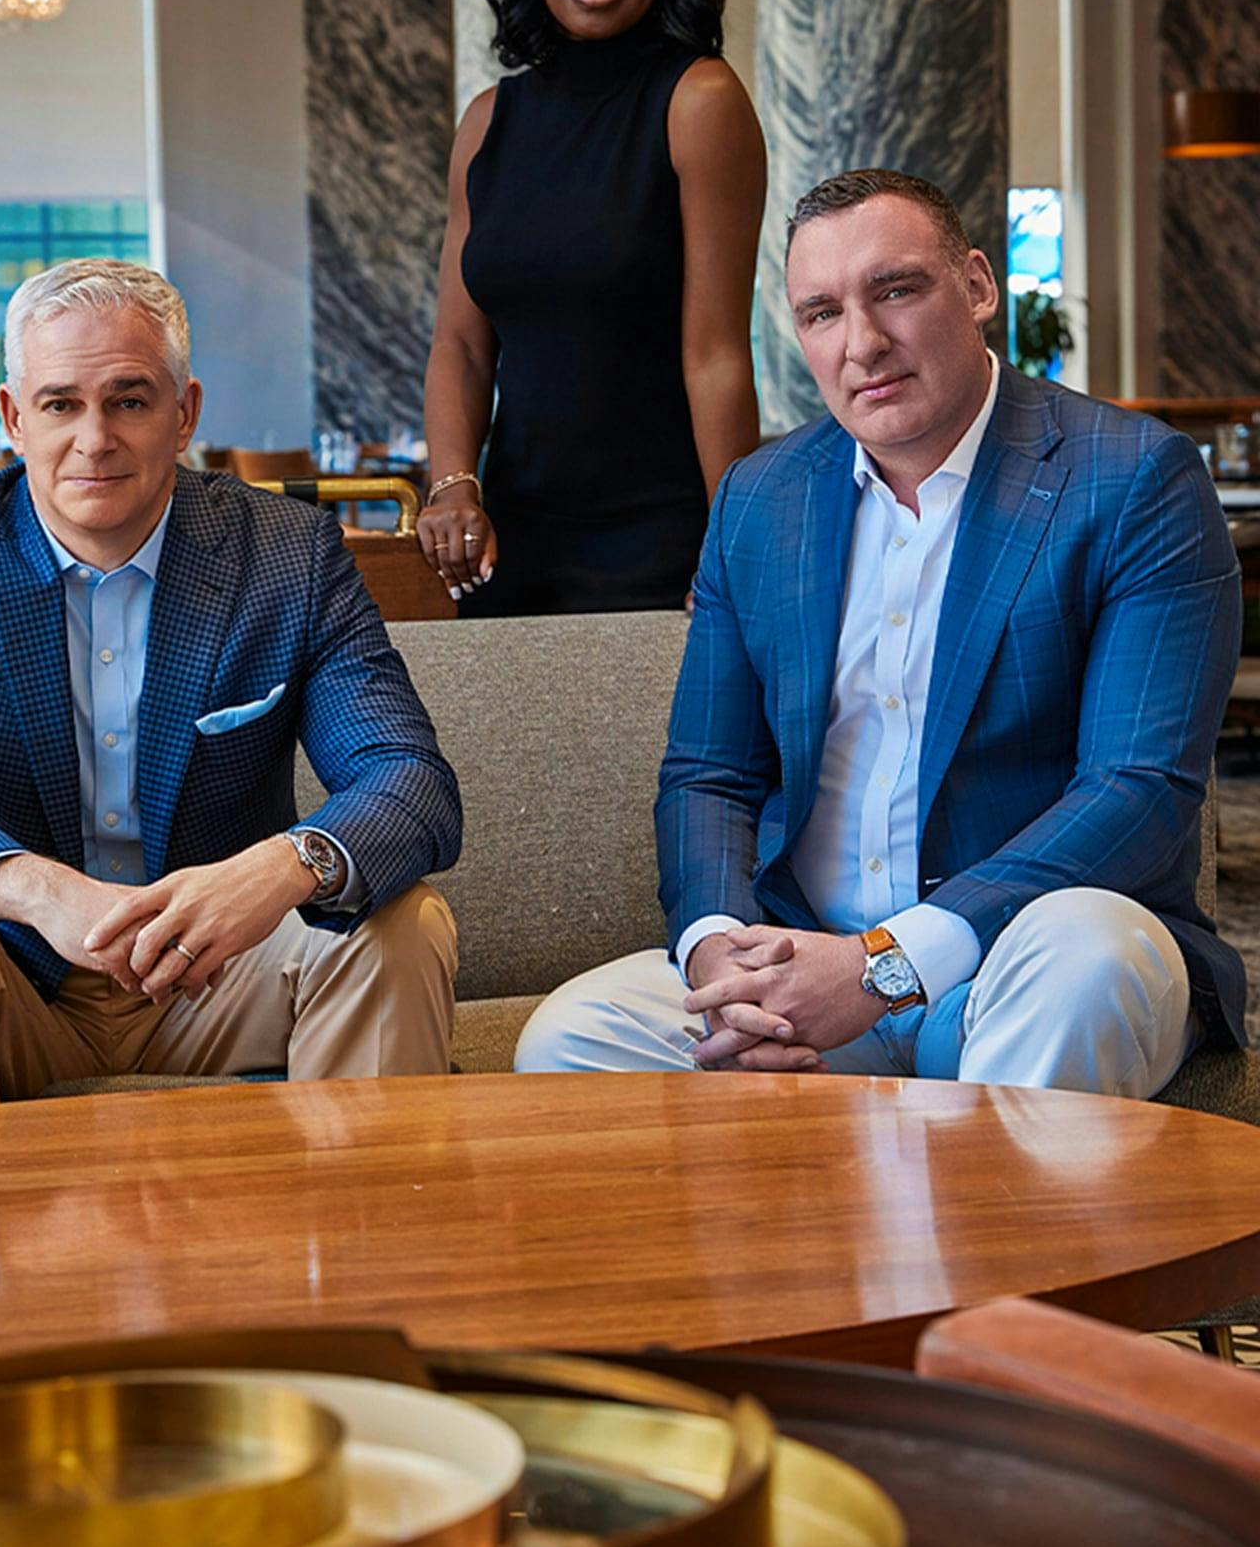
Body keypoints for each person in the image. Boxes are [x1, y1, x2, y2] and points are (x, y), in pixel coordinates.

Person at [516, 168, 1248, 1095]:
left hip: (1021, 960)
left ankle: (977, 1232)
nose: (862, 343)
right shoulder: (760, 499)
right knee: (572, 1041)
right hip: (807, 970)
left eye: (895, 290)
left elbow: (1140, 788)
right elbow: (709, 774)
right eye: (821, 313)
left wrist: (885, 966)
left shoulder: (1136, 479)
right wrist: (719, 958)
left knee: (1090, 957)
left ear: (978, 286)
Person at [0, 259, 462, 1119]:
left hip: (221, 975)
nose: (94, 439)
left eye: (129, 400)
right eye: (59, 405)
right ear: (14, 418)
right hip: (17, 976)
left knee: (403, 926)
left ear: (184, 412)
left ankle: (366, 1247)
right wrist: (37, 890)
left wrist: (281, 867)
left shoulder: (288, 552)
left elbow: (409, 777)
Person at [418, 0, 764, 616]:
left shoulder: (700, 100)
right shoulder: (487, 122)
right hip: (509, 543)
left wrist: (734, 547)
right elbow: (461, 346)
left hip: (663, 538)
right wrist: (452, 484)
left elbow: (715, 354)